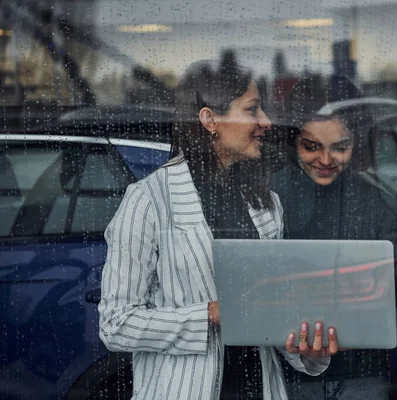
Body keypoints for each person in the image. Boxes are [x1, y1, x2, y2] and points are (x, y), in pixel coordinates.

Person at [98, 58, 340, 400]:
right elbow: (115, 325)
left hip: (259, 389)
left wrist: (309, 352)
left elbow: (271, 314)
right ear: (210, 119)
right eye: (253, 109)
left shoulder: (267, 204)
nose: (267, 122)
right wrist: (209, 314)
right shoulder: (148, 201)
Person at [271, 76, 397, 399]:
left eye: (340, 147)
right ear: (292, 140)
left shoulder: (376, 200)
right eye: (311, 146)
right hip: (289, 368)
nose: (326, 160)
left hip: (363, 368)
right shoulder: (268, 198)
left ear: (357, 144)